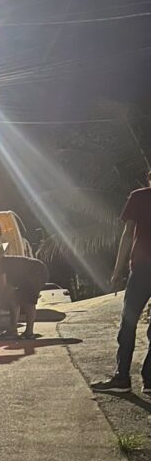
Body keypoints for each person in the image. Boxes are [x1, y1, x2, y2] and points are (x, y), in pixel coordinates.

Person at [91, 169, 151, 395]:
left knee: (128, 323)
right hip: (142, 269)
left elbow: (127, 234)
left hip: (142, 269)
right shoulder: (139, 197)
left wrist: (117, 271)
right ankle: (149, 378)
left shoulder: (139, 197)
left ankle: (123, 377)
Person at [0, 249, 48, 339]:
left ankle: (29, 332)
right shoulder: (6, 263)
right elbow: (8, 287)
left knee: (29, 303)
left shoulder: (1, 262)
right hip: (28, 276)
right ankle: (12, 329)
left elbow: (2, 284)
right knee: (14, 300)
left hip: (36, 273)